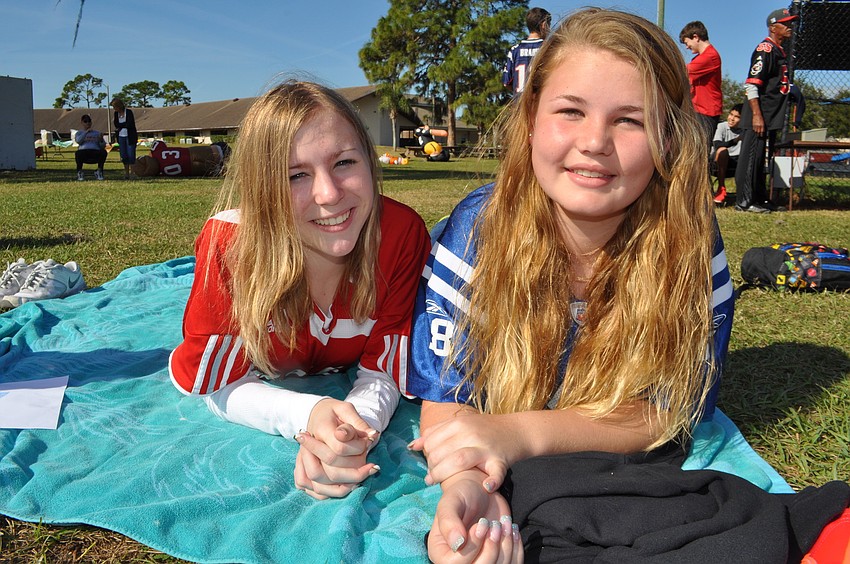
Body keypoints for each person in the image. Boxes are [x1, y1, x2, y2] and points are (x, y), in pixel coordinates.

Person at [407, 8, 734, 561]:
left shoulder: (690, 240)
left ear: (669, 139)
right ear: (531, 117)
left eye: (630, 120)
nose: (594, 142)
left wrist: (516, 436)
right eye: (571, 111)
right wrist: (469, 486)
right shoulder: (476, 229)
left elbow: (665, 409)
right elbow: (446, 397)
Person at [168, 81, 430, 500]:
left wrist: (350, 432)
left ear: (369, 161)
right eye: (296, 175)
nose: (329, 194)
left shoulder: (400, 233)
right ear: (262, 189)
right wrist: (307, 414)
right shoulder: (229, 245)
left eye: (344, 162)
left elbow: (384, 369)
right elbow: (215, 384)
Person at [734, 8, 798, 213]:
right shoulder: (765, 49)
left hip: (770, 114)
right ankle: (744, 202)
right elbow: (752, 84)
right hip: (758, 115)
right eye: (785, 23)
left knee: (761, 159)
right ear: (773, 27)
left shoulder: (780, 50)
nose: (790, 27)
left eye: (791, 23)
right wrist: (757, 116)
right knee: (751, 157)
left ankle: (759, 198)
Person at [679, 21, 723, 149]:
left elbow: (683, 72)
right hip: (698, 109)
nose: (687, 47)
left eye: (687, 43)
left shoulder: (710, 56)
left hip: (706, 111)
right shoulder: (700, 58)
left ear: (696, 37)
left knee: (700, 151)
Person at [502, 7, 551, 96]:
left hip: (520, 105)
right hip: (540, 103)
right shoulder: (548, 48)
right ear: (543, 25)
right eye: (549, 25)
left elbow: (506, 82)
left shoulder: (515, 50)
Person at [711, 103, 743, 204]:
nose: (732, 118)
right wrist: (735, 140)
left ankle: (745, 193)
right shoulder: (722, 126)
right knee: (722, 150)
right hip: (719, 160)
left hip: (738, 161)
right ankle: (721, 187)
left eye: (737, 117)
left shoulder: (745, 130)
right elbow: (717, 145)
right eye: (731, 114)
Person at [74, 114, 107, 181]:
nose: (87, 123)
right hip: (84, 151)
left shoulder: (97, 133)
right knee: (78, 153)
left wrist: (101, 140)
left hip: (95, 151)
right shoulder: (79, 133)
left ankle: (99, 171)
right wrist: (86, 132)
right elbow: (78, 141)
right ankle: (80, 172)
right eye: (85, 121)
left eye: (89, 121)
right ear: (82, 122)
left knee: (103, 152)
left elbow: (103, 145)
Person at [111, 98, 138, 180]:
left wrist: (121, 125)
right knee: (124, 155)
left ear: (119, 106)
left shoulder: (128, 112)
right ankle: (126, 173)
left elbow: (130, 124)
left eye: (115, 107)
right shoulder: (116, 114)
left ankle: (132, 173)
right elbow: (116, 124)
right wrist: (122, 125)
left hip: (130, 136)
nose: (114, 109)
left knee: (131, 155)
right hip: (121, 137)